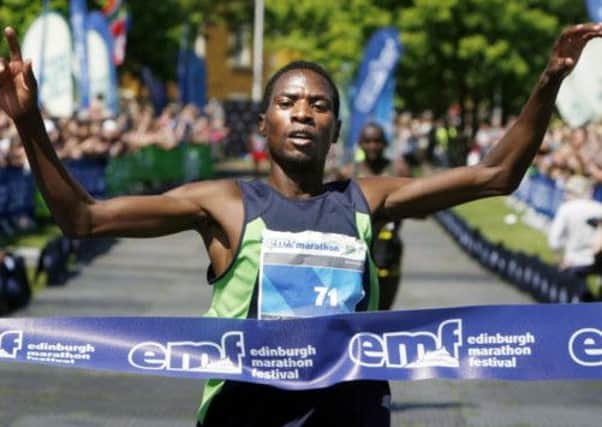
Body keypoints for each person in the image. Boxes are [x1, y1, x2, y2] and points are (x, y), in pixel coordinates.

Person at [0, 23, 601, 427]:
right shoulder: (224, 203)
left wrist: (548, 83)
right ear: (264, 124)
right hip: (246, 413)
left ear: (336, 129)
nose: (303, 114)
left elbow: (495, 176)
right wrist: (30, 125)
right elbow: (83, 218)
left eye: (319, 105)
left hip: (351, 412)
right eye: (288, 103)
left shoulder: (365, 198)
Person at [339, 122, 409, 309]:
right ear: (360, 144)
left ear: (385, 143)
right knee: (357, 306)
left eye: (377, 141)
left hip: (388, 248)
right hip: (356, 248)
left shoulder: (398, 170)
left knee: (383, 310)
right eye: (368, 141)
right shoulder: (347, 173)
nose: (372, 146)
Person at [548, 175, 602, 276]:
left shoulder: (566, 209)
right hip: (596, 260)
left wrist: (559, 258)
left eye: (567, 191)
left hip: (572, 261)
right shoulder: (599, 208)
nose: (564, 195)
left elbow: (554, 238)